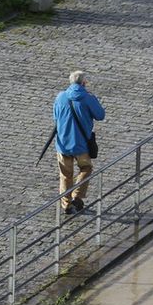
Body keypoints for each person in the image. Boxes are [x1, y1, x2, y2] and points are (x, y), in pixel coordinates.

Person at [53, 71, 105, 215]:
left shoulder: (60, 96)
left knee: (65, 175)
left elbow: (55, 117)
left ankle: (66, 205)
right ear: (83, 83)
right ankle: (77, 195)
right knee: (86, 168)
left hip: (62, 144)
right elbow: (100, 115)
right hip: (81, 144)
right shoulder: (88, 98)